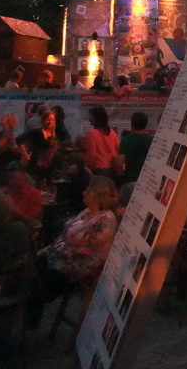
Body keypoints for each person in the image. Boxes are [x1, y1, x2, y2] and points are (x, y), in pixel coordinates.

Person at [28, 176, 118, 327]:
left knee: (36, 279)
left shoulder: (105, 221)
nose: (83, 193)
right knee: (31, 270)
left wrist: (54, 254)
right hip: (61, 259)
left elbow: (83, 249)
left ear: (97, 196)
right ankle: (29, 316)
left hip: (78, 267)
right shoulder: (87, 212)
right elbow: (65, 237)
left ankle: (29, 318)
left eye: (88, 191)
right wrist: (47, 250)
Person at [16, 109, 59, 185]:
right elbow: (18, 139)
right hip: (36, 166)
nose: (50, 122)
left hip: (49, 167)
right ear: (43, 120)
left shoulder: (53, 134)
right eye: (48, 120)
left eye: (52, 120)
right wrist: (26, 155)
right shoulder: (37, 132)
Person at [84, 106, 120, 180]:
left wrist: (87, 168)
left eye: (91, 116)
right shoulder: (112, 132)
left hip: (99, 169)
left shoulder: (91, 133)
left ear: (96, 118)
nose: (89, 118)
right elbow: (118, 149)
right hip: (112, 170)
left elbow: (92, 155)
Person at [119, 111, 154, 184]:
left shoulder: (126, 140)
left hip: (129, 178)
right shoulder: (151, 139)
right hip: (146, 178)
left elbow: (120, 161)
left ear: (132, 124)